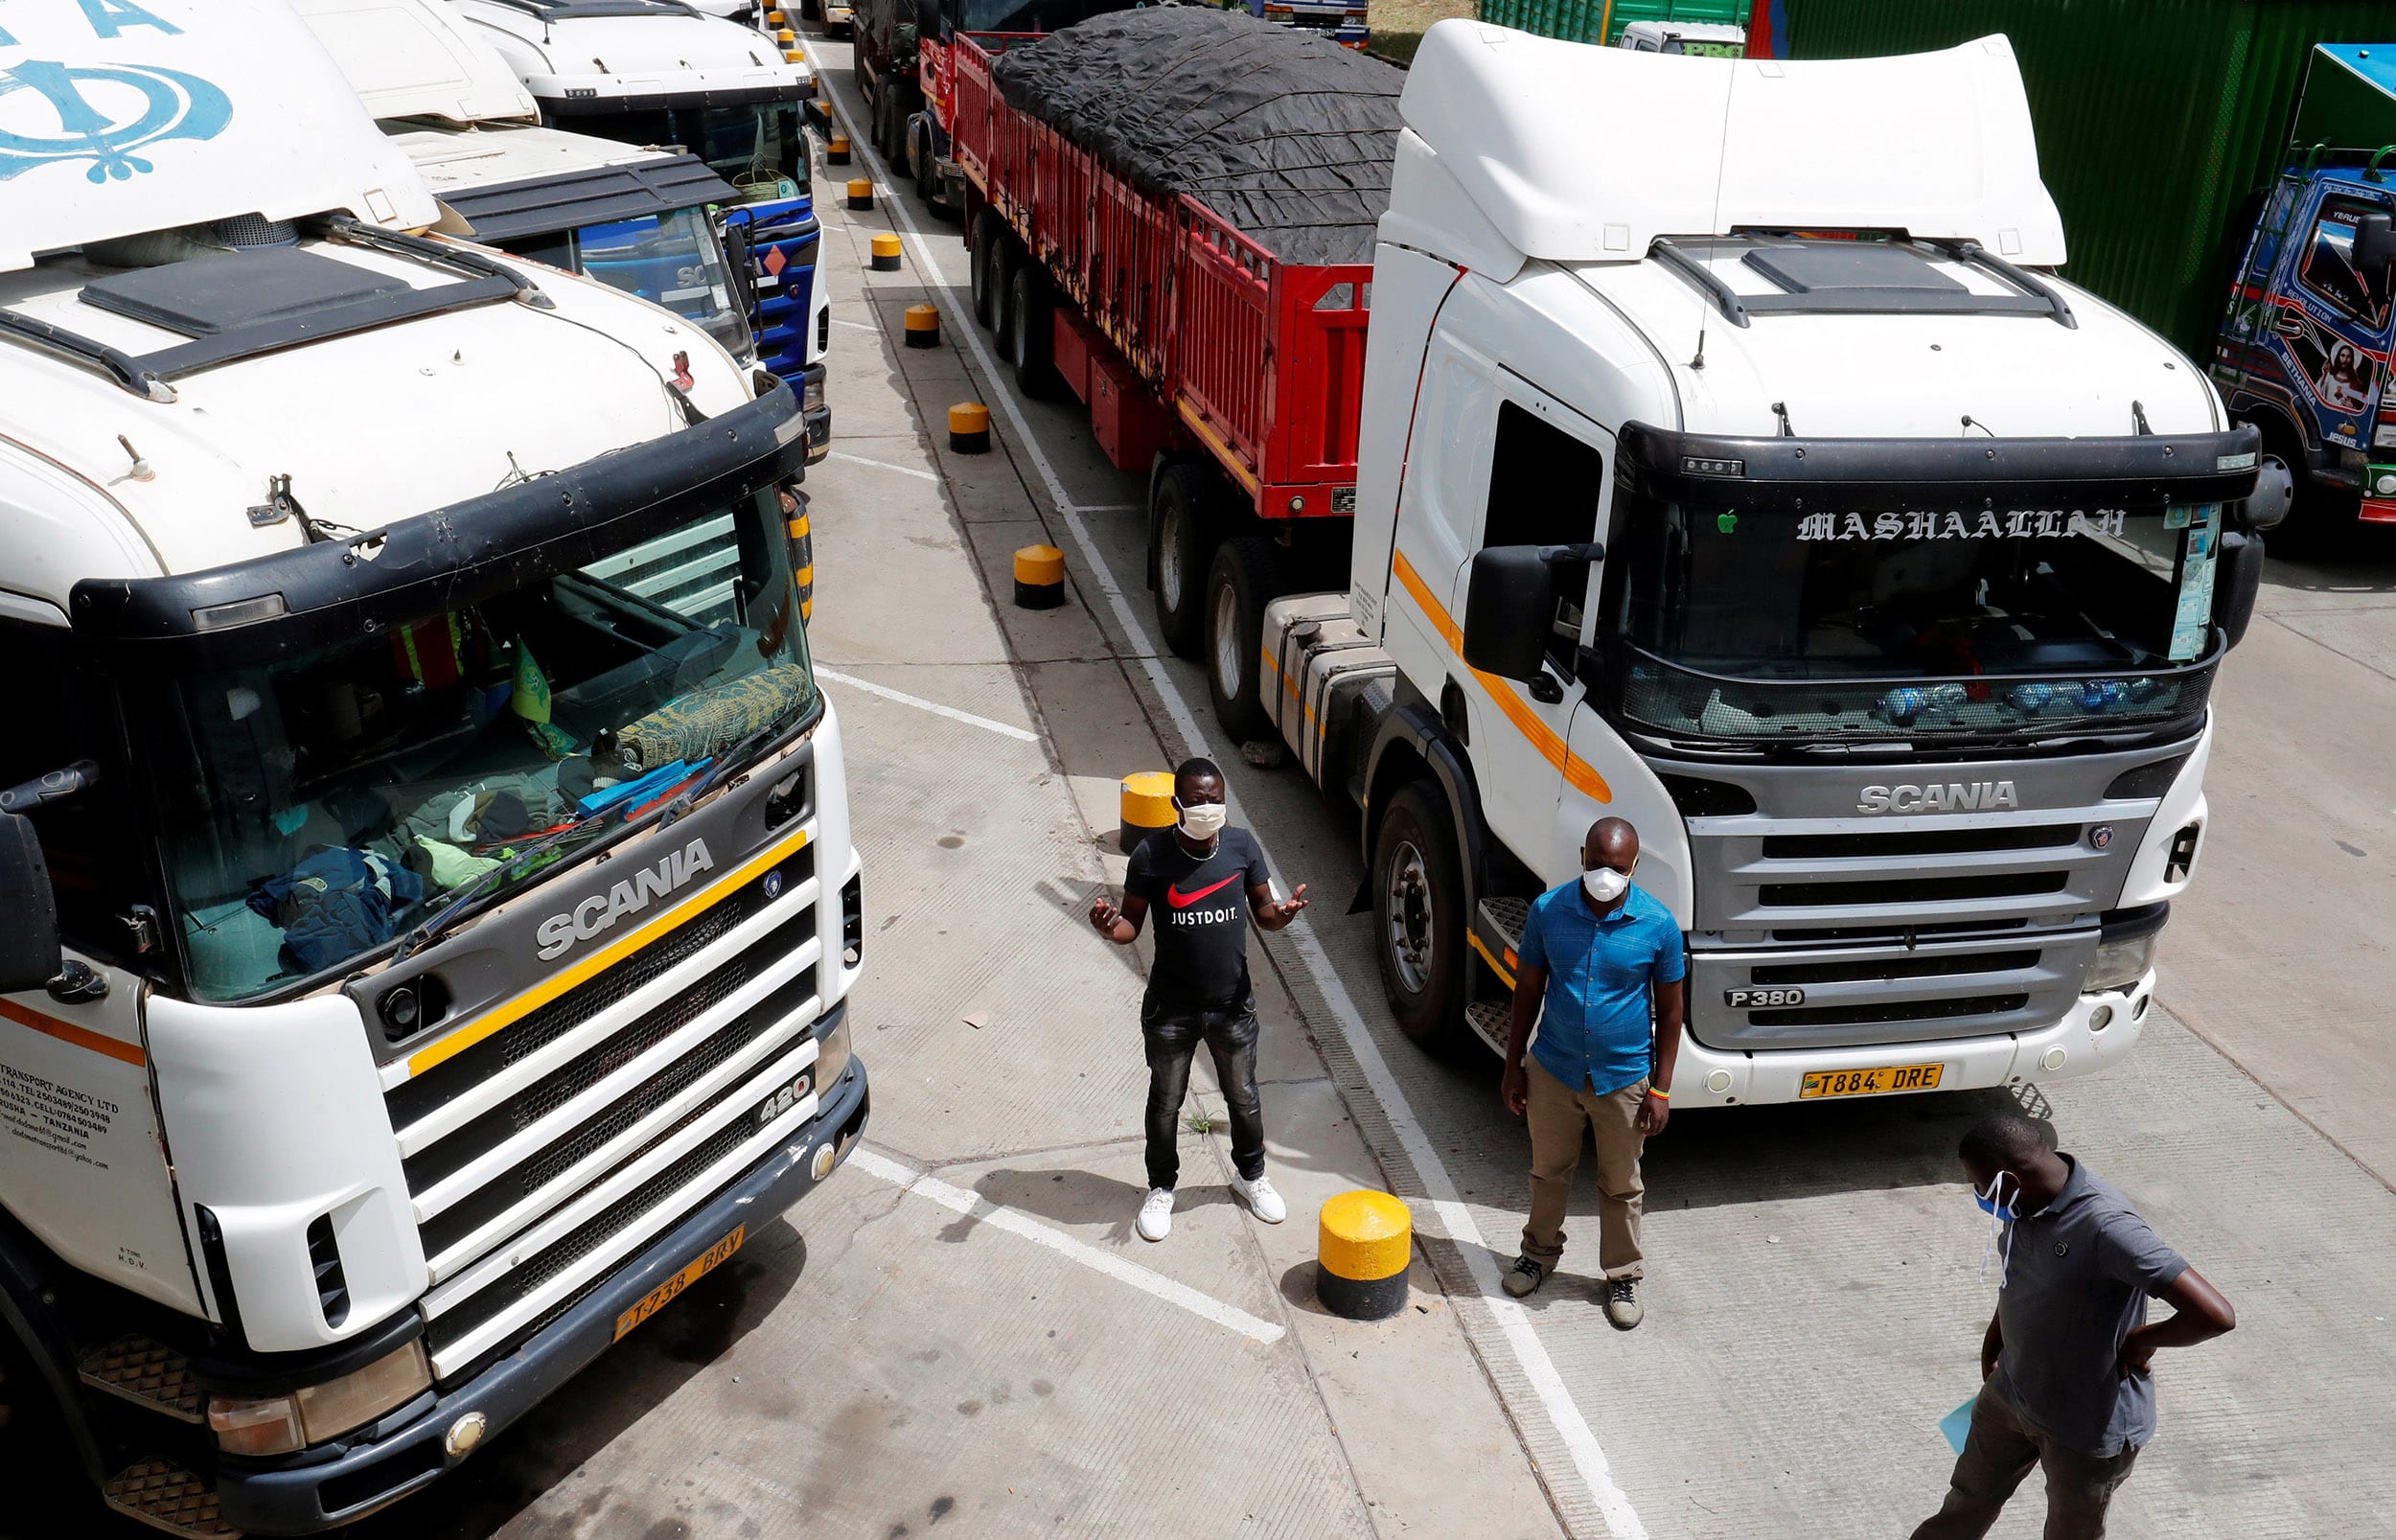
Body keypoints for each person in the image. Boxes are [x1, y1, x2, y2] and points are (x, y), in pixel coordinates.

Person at [1911, 1114, 2237, 1540]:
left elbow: (2215, 1314)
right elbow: (2021, 1275)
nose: (1977, 1193)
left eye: (1979, 1183)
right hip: (2011, 1395)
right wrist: (1996, 1340)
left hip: (2084, 1429)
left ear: (2010, 1178)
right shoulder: (2027, 1202)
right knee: (1965, 1501)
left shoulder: (2107, 1227)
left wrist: (2140, 1342)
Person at [1090, 758, 1308, 1242]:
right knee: (1165, 1102)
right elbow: (1131, 926)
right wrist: (1110, 928)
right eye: (1197, 800)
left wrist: (1283, 914)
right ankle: (1161, 1187)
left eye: (1215, 799)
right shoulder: (1150, 855)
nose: (1208, 807)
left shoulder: (1241, 846)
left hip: (1233, 1006)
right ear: (1176, 804)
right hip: (1171, 1010)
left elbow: (1265, 913)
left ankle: (1250, 1176)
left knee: (1244, 1098)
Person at [1498, 816, 1684, 1329]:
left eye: (1618, 868)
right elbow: (1528, 990)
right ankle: (1537, 1255)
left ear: (1635, 867)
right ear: (1582, 856)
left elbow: (1671, 1013)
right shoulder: (1548, 911)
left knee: (1621, 1184)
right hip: (1554, 1068)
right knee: (1548, 1171)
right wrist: (1514, 1064)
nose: (1606, 875)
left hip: (1623, 1077)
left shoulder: (1658, 925)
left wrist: (1661, 1087)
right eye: (1598, 864)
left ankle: (1622, 1274)